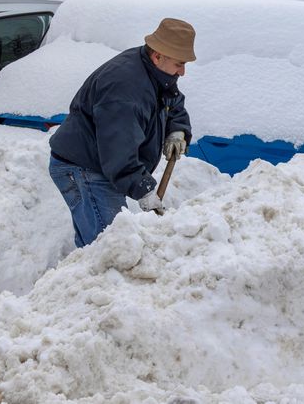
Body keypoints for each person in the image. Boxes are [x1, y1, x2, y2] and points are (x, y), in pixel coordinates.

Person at [48, 18, 195, 248]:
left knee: (101, 245)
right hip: (83, 169)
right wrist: (144, 190)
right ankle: (94, 282)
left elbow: (173, 101)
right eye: (179, 64)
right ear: (158, 56)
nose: (183, 72)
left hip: (100, 166)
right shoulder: (125, 88)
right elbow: (119, 150)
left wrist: (177, 130)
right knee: (110, 248)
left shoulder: (154, 72)